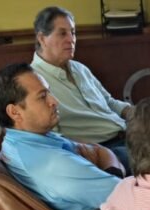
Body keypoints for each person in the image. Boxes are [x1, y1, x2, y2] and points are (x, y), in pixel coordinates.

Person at [0, 63, 123, 210]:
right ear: (15, 112)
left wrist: (109, 163)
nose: (54, 101)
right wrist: (113, 166)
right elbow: (130, 199)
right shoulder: (49, 163)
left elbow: (97, 151)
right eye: (42, 97)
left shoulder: (27, 142)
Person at [31, 6, 132, 172]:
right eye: (62, 33)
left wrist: (138, 112)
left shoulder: (80, 68)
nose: (71, 39)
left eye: (73, 32)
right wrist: (95, 151)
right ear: (42, 38)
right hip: (102, 150)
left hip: (128, 133)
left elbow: (109, 102)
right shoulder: (35, 81)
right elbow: (51, 137)